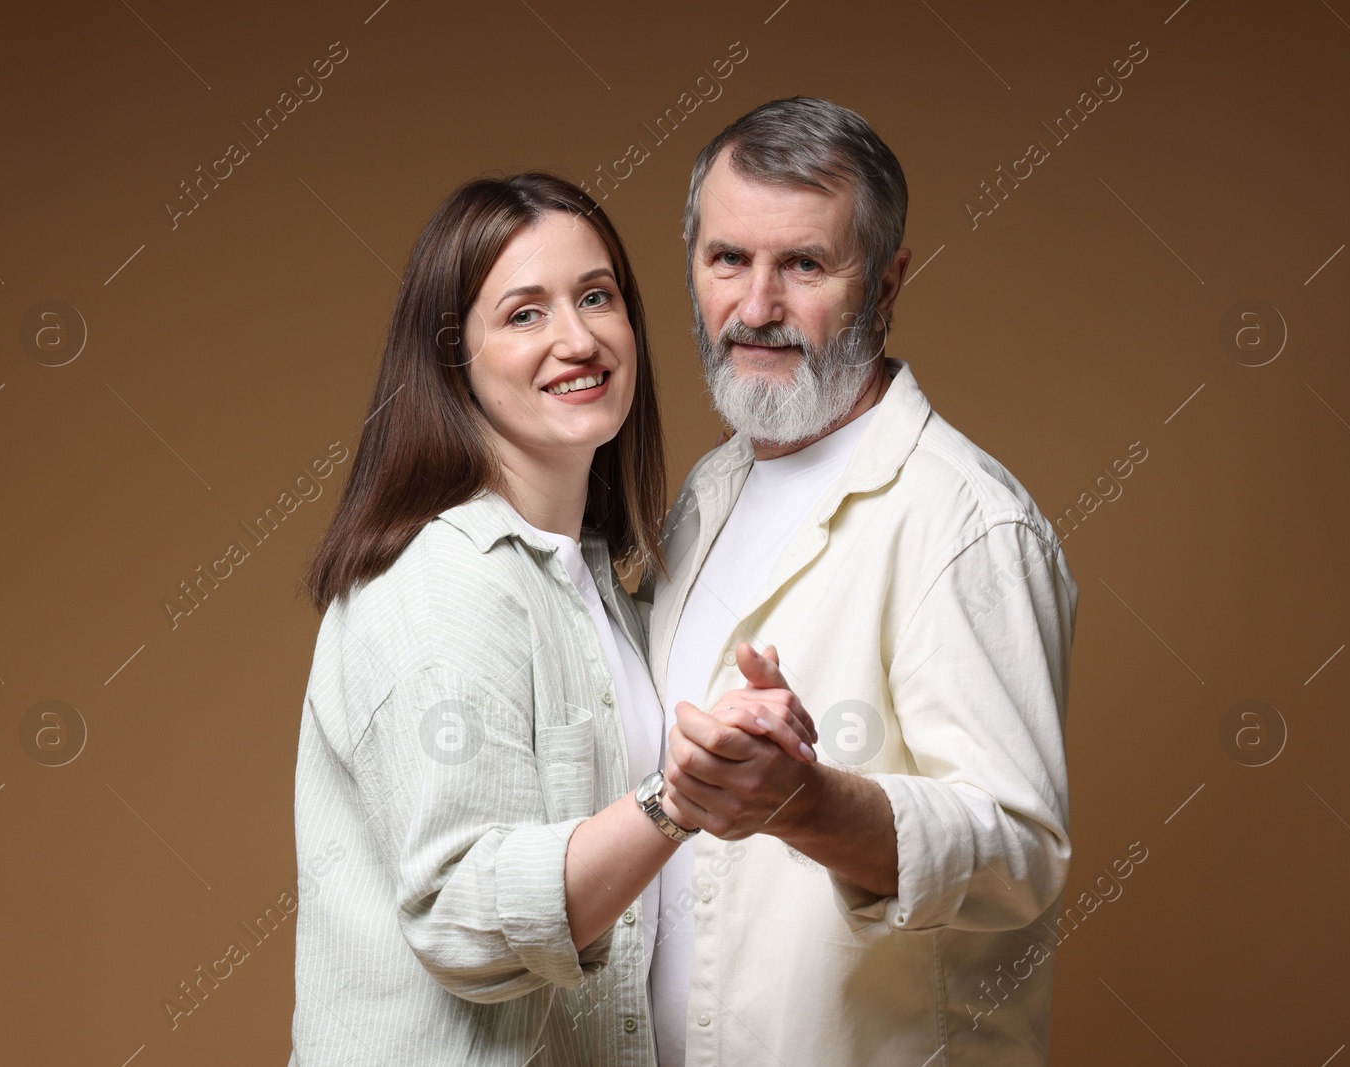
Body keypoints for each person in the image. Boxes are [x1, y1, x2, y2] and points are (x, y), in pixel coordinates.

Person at [287, 172, 817, 1066]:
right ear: (454, 358)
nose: (578, 338)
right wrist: (677, 799)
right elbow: (465, 916)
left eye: (597, 296)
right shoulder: (440, 581)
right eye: (524, 313)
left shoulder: (600, 588)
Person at [638, 97, 1080, 1066]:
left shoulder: (965, 522)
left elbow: (1019, 854)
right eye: (727, 260)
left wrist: (806, 803)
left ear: (885, 283)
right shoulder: (711, 490)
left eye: (802, 264)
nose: (755, 308)